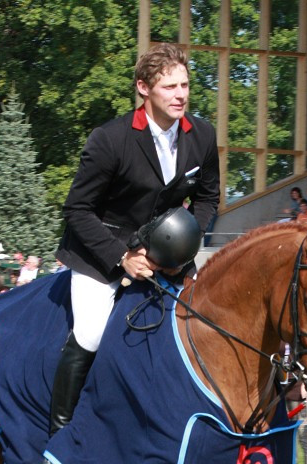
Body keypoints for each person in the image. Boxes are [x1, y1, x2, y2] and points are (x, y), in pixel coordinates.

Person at [52, 42, 220, 433]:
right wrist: (122, 258)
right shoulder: (110, 139)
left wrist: (181, 244)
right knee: (91, 332)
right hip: (101, 253)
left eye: (185, 85)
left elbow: (208, 197)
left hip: (169, 253)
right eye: (169, 87)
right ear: (144, 88)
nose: (181, 95)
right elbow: (77, 210)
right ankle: (59, 433)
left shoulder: (203, 135)